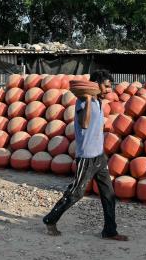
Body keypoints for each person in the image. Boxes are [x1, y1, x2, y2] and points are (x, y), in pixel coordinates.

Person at [42, 70, 128, 241]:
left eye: (110, 87)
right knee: (76, 192)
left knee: (108, 194)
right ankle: (50, 220)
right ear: (95, 84)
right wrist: (88, 98)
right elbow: (85, 123)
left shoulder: (99, 101)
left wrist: (94, 99)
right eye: (106, 86)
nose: (108, 90)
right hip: (87, 157)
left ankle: (110, 231)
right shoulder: (82, 101)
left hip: (99, 156)